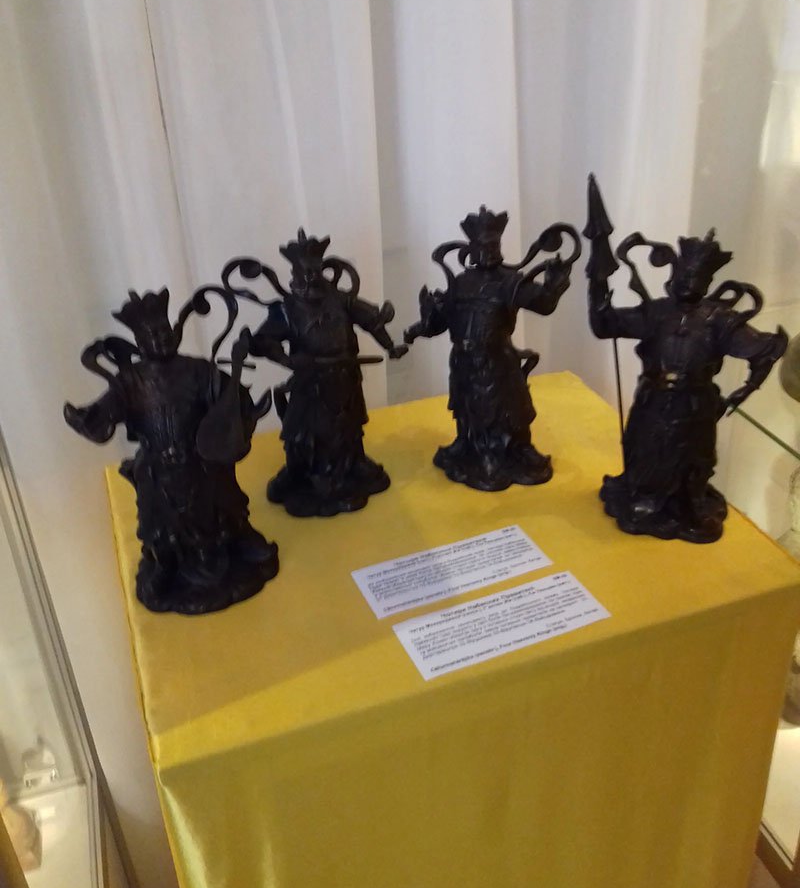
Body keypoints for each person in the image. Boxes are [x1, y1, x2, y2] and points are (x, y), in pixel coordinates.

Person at [586, 188, 787, 543]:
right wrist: (598, 283)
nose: (688, 283)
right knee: (646, 450)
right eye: (684, 277)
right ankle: (644, 495)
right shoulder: (657, 312)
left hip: (694, 404)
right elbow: (605, 325)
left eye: (696, 279)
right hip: (652, 399)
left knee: (691, 458)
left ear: (706, 282)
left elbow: (764, 350)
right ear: (674, 276)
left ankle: (684, 503)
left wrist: (745, 389)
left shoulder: (719, 319)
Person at [64, 287, 278, 612]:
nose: (161, 339)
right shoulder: (130, 381)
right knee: (160, 521)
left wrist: (243, 411)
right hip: (159, 466)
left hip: (203, 460)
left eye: (164, 331)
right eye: (152, 335)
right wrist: (87, 418)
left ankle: (240, 537)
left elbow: (230, 397)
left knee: (225, 503)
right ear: (140, 342)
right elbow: (105, 413)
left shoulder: (198, 370)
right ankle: (164, 562)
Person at [228, 230, 407, 517]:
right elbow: (264, 342)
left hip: (345, 375)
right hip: (309, 382)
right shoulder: (287, 309)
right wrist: (288, 360)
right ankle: (304, 470)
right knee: (306, 430)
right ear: (295, 273)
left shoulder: (341, 300)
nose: (312, 277)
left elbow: (372, 321)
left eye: (315, 270)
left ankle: (353, 463)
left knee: (348, 424)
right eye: (305, 272)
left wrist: (390, 346)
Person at [404, 206, 579, 490]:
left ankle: (516, 449)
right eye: (481, 246)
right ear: (471, 248)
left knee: (510, 409)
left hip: (498, 361)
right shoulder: (460, 283)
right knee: (468, 408)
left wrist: (554, 285)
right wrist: (423, 321)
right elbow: (440, 322)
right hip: (464, 361)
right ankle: (471, 446)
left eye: (492, 245)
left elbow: (543, 304)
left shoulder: (510, 281)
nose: (487, 251)